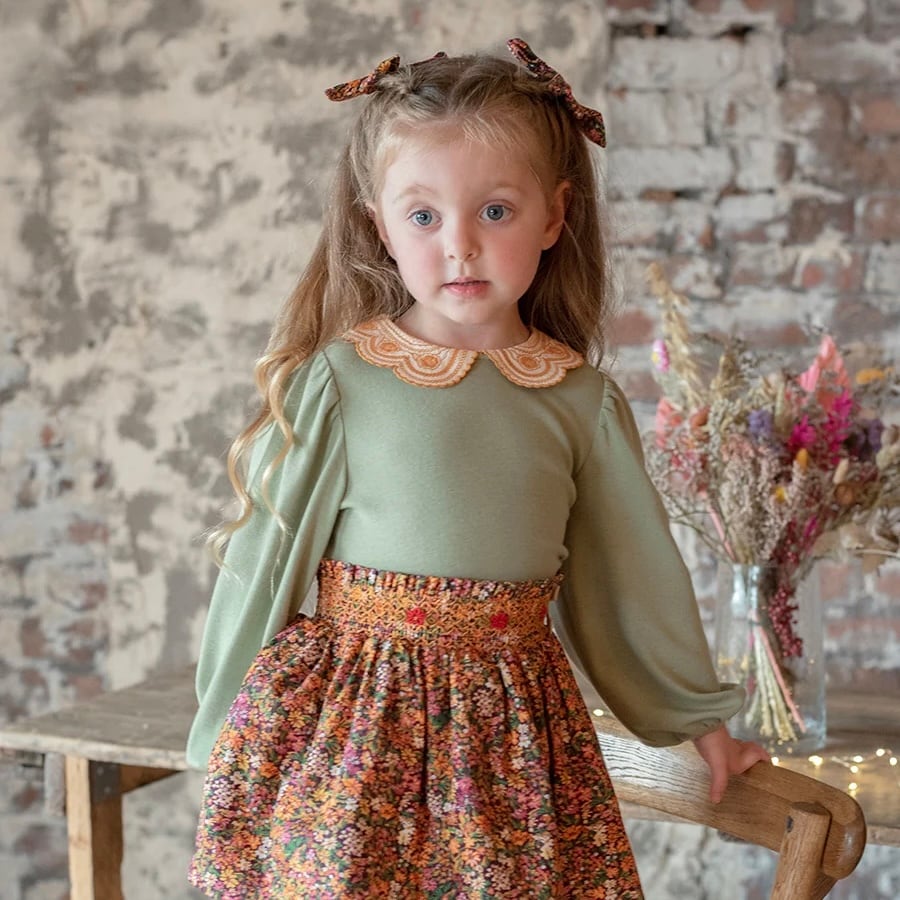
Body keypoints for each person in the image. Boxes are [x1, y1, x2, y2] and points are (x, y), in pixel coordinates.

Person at [186, 39, 769, 899]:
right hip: (357, 727)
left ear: (555, 216)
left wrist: (698, 722)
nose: (459, 245)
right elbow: (267, 555)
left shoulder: (578, 401)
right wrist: (223, 727)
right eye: (423, 217)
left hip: (514, 743)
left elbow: (631, 576)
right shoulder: (344, 381)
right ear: (379, 227)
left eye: (494, 211)